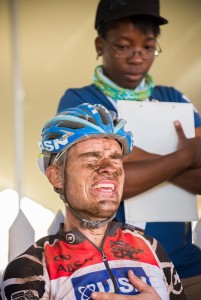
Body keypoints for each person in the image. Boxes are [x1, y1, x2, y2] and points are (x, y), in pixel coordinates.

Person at [56, 0, 201, 299]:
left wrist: (129, 155)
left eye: (148, 47)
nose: (138, 58)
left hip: (185, 266)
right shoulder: (79, 101)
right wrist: (185, 156)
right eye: (123, 46)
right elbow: (107, 185)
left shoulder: (173, 98)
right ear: (100, 44)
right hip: (114, 269)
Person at [1, 103, 186, 299]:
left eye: (115, 159)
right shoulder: (31, 268)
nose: (109, 168)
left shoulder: (151, 247)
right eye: (91, 158)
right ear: (57, 177)